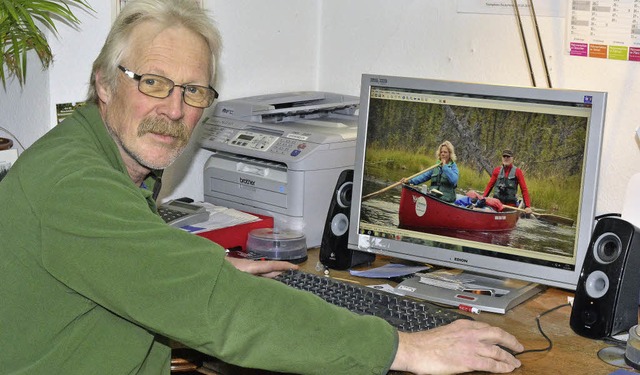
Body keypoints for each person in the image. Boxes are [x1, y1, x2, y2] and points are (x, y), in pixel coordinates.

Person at [0, 1, 523, 374]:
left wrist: (198, 263)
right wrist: (406, 349)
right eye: (153, 83)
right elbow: (219, 310)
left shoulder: (93, 158)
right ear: (104, 83)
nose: (175, 110)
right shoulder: (72, 184)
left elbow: (126, 254)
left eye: (195, 91)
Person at [483, 149, 533, 214]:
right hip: (497, 203)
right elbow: (489, 186)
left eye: (508, 157)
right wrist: (483, 198)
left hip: (510, 206)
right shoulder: (496, 170)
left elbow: (524, 189)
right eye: (504, 156)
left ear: (512, 159)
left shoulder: (517, 172)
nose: (506, 158)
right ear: (502, 158)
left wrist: (527, 206)